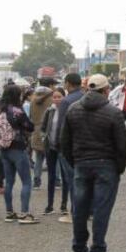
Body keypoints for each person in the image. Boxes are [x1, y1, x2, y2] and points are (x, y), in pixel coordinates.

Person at [60, 73, 126, 252]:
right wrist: (118, 169)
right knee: (101, 210)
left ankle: (78, 249)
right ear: (106, 90)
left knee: (80, 209)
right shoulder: (113, 112)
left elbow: (65, 142)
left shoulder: (73, 109)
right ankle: (98, 251)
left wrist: (75, 162)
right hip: (106, 165)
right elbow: (121, 146)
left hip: (81, 164)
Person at [0, 83, 38, 224]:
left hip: (4, 149)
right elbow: (30, 126)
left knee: (9, 181)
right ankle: (24, 213)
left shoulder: (0, 110)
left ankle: (9, 212)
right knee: (26, 181)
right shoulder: (17, 111)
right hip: (18, 149)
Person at [53, 72, 84, 223]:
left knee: (72, 181)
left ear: (68, 84)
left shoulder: (66, 102)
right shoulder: (85, 97)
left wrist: (57, 144)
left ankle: (74, 212)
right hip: (84, 145)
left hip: (68, 146)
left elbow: (61, 126)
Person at [40, 87, 70, 216]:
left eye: (59, 97)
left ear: (64, 97)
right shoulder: (49, 111)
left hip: (63, 148)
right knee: (51, 176)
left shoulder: (67, 111)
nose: (57, 99)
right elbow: (43, 127)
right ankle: (50, 205)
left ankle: (64, 204)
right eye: (55, 97)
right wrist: (43, 137)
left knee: (65, 176)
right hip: (50, 147)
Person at [28, 84, 54, 188]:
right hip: (48, 131)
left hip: (36, 130)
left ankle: (36, 181)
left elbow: (30, 116)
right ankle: (55, 180)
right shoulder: (51, 101)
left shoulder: (32, 101)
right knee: (52, 159)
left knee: (39, 158)